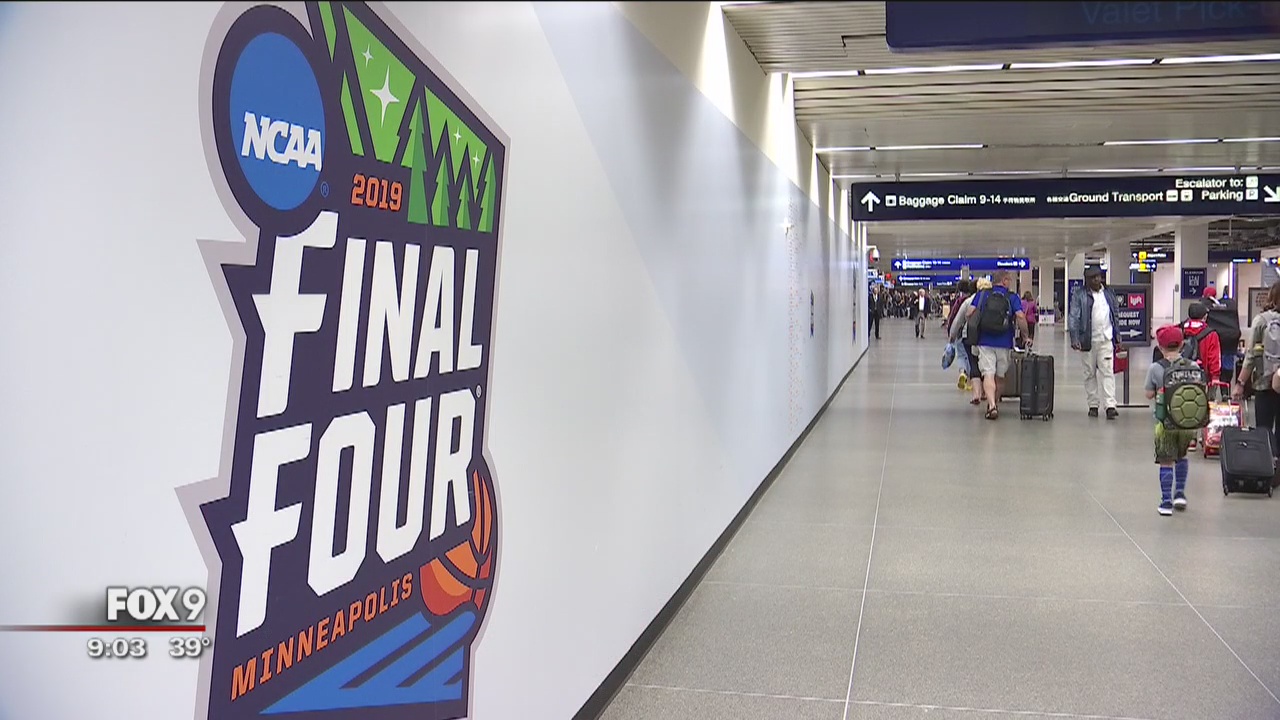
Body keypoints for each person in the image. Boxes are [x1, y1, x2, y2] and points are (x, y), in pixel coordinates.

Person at [1146, 325, 1199, 516]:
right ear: (1182, 344)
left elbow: (1149, 394)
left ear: (1160, 347)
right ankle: (1180, 494)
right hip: (1187, 423)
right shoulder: (1193, 366)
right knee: (1182, 457)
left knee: (1166, 461)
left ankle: (1166, 502)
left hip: (1165, 423)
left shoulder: (1155, 368)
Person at [1232, 282, 1280, 483]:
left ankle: (1268, 469)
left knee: (1264, 428)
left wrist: (1240, 383)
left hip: (1265, 383)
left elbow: (1251, 356)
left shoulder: (1262, 320)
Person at [965, 271, 1029, 420]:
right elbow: (1020, 316)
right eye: (1009, 280)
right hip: (1004, 342)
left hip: (984, 341)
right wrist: (1026, 336)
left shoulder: (982, 294)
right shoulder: (1012, 297)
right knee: (1000, 376)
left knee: (988, 374)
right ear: (1004, 281)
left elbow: (969, 313)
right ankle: (994, 404)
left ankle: (992, 404)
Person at [1068, 267, 1122, 419]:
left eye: (1098, 277)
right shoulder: (1080, 295)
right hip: (1088, 340)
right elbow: (1074, 317)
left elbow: (1115, 316)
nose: (1096, 280)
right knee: (1089, 373)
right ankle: (1093, 404)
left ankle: (1110, 406)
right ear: (1087, 280)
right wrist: (1075, 338)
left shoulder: (1109, 293)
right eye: (1092, 278)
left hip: (1106, 339)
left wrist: (1118, 337)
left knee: (1108, 372)